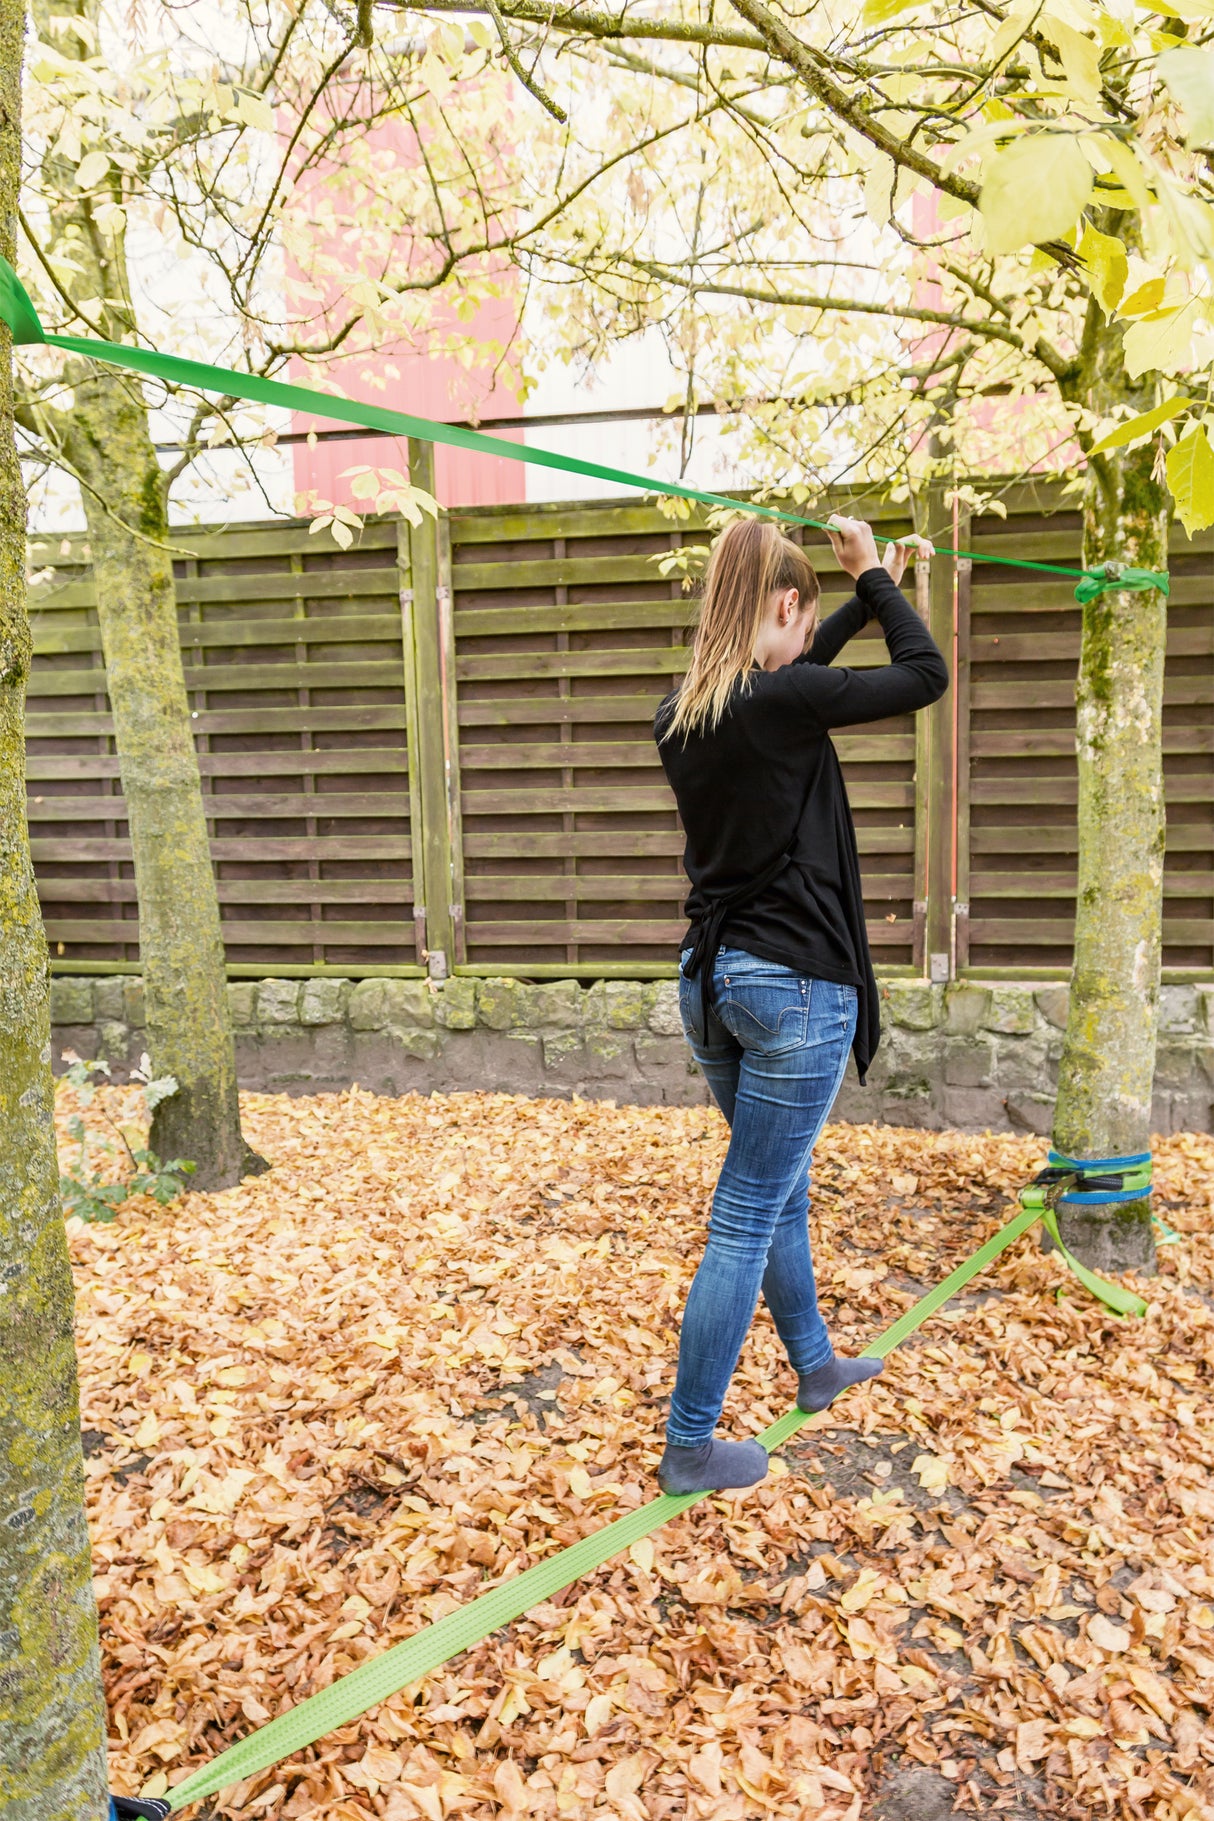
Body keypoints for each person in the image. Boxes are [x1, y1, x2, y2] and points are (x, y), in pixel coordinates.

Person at [651, 513, 948, 1496]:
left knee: (773, 1192)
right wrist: (873, 579)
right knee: (744, 1213)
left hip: (711, 980)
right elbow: (925, 675)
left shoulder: (681, 715)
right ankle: (690, 1446)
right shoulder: (778, 707)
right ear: (783, 604)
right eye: (803, 614)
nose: (805, 632)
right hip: (788, 989)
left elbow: (796, 671)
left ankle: (813, 1364)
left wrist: (860, 597)